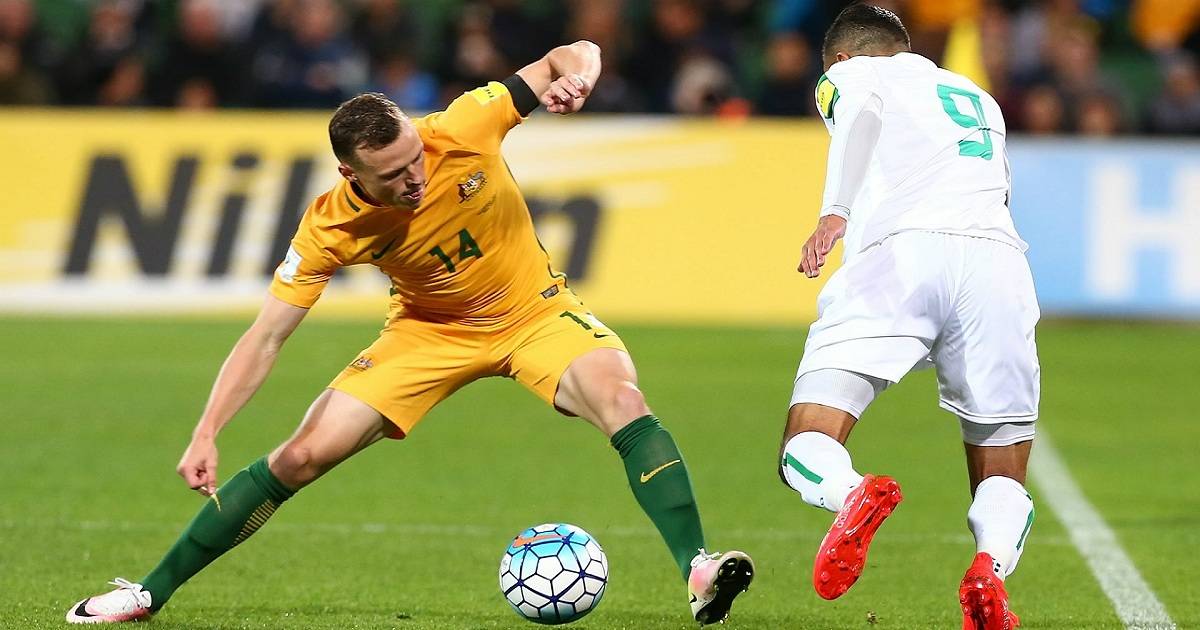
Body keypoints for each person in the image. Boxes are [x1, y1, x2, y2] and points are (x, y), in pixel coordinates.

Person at [66, 40, 754, 626]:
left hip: (535, 313)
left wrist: (580, 76)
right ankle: (148, 593)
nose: (416, 178)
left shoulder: (462, 125)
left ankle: (697, 568)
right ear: (350, 173)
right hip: (428, 333)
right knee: (300, 456)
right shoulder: (330, 226)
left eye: (416, 160)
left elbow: (569, 54)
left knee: (624, 401)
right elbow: (266, 336)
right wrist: (207, 430)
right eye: (394, 176)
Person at [778, 6, 1038, 630]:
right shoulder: (975, 95)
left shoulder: (853, 73)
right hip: (998, 263)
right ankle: (989, 569)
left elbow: (860, 113)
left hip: (901, 255)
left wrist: (835, 212)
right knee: (1001, 457)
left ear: (843, 58)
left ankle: (852, 494)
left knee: (806, 440)